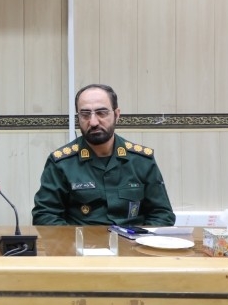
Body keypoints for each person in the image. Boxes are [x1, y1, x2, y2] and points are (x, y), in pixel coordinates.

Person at [32, 84, 175, 226]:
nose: (93, 122)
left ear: (117, 115)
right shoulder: (61, 163)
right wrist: (75, 240)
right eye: (85, 114)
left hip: (133, 240)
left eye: (101, 113)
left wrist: (142, 238)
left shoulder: (141, 161)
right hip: (80, 240)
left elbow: (162, 215)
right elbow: (45, 215)